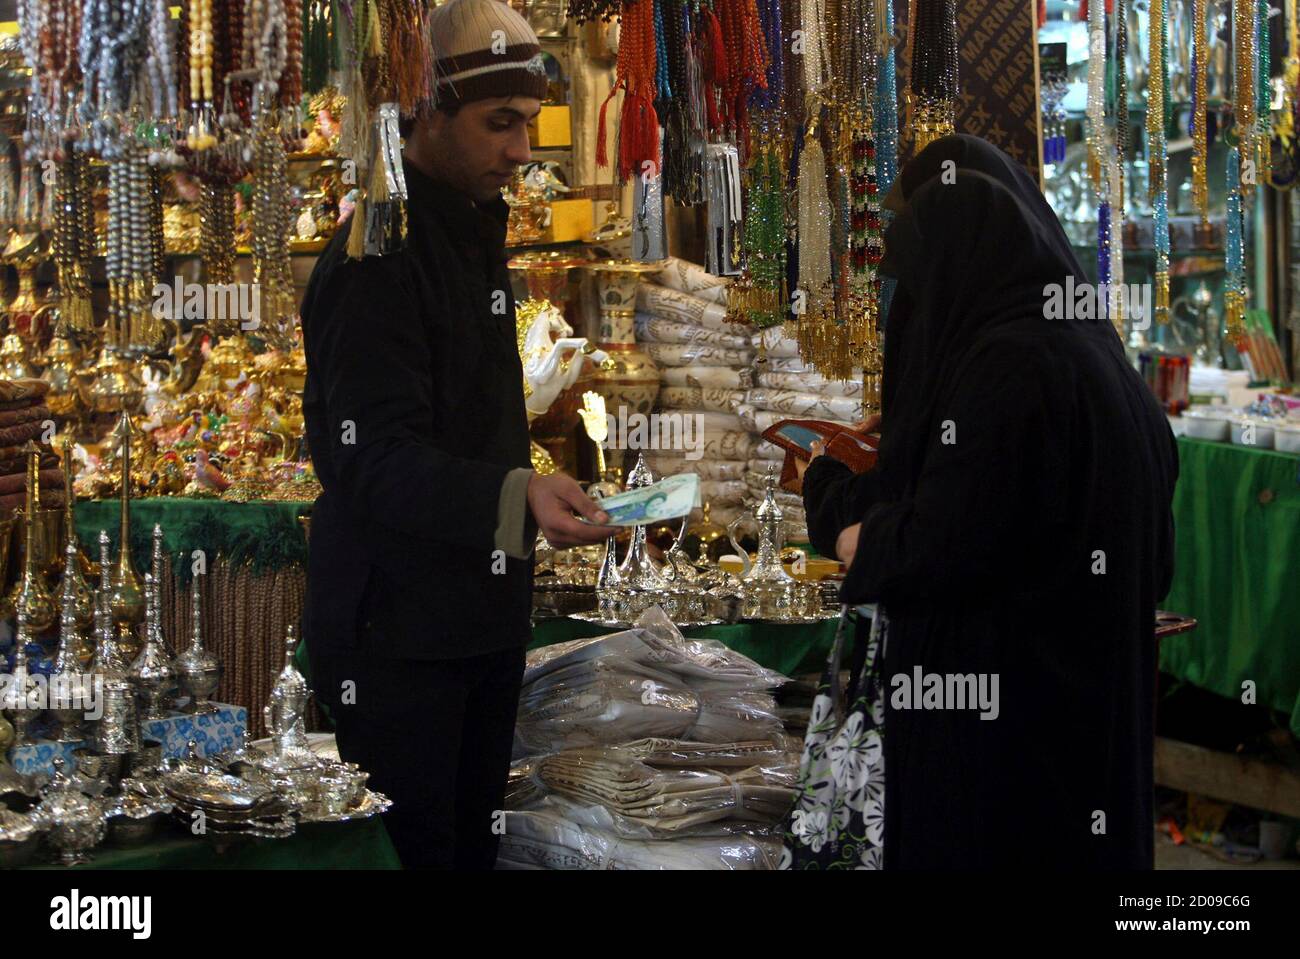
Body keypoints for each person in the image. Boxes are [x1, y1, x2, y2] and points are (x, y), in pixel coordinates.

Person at [800, 135, 1179, 869]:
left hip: (1007, 765)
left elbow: (931, 550)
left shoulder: (1009, 371)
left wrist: (845, 518)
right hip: (1091, 741)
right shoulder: (1095, 356)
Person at [299, 0, 615, 869]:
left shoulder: (471, 232)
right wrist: (517, 494)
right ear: (425, 112)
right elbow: (375, 460)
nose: (521, 150)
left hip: (473, 622)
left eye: (528, 124)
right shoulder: (379, 258)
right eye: (500, 123)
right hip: (395, 639)